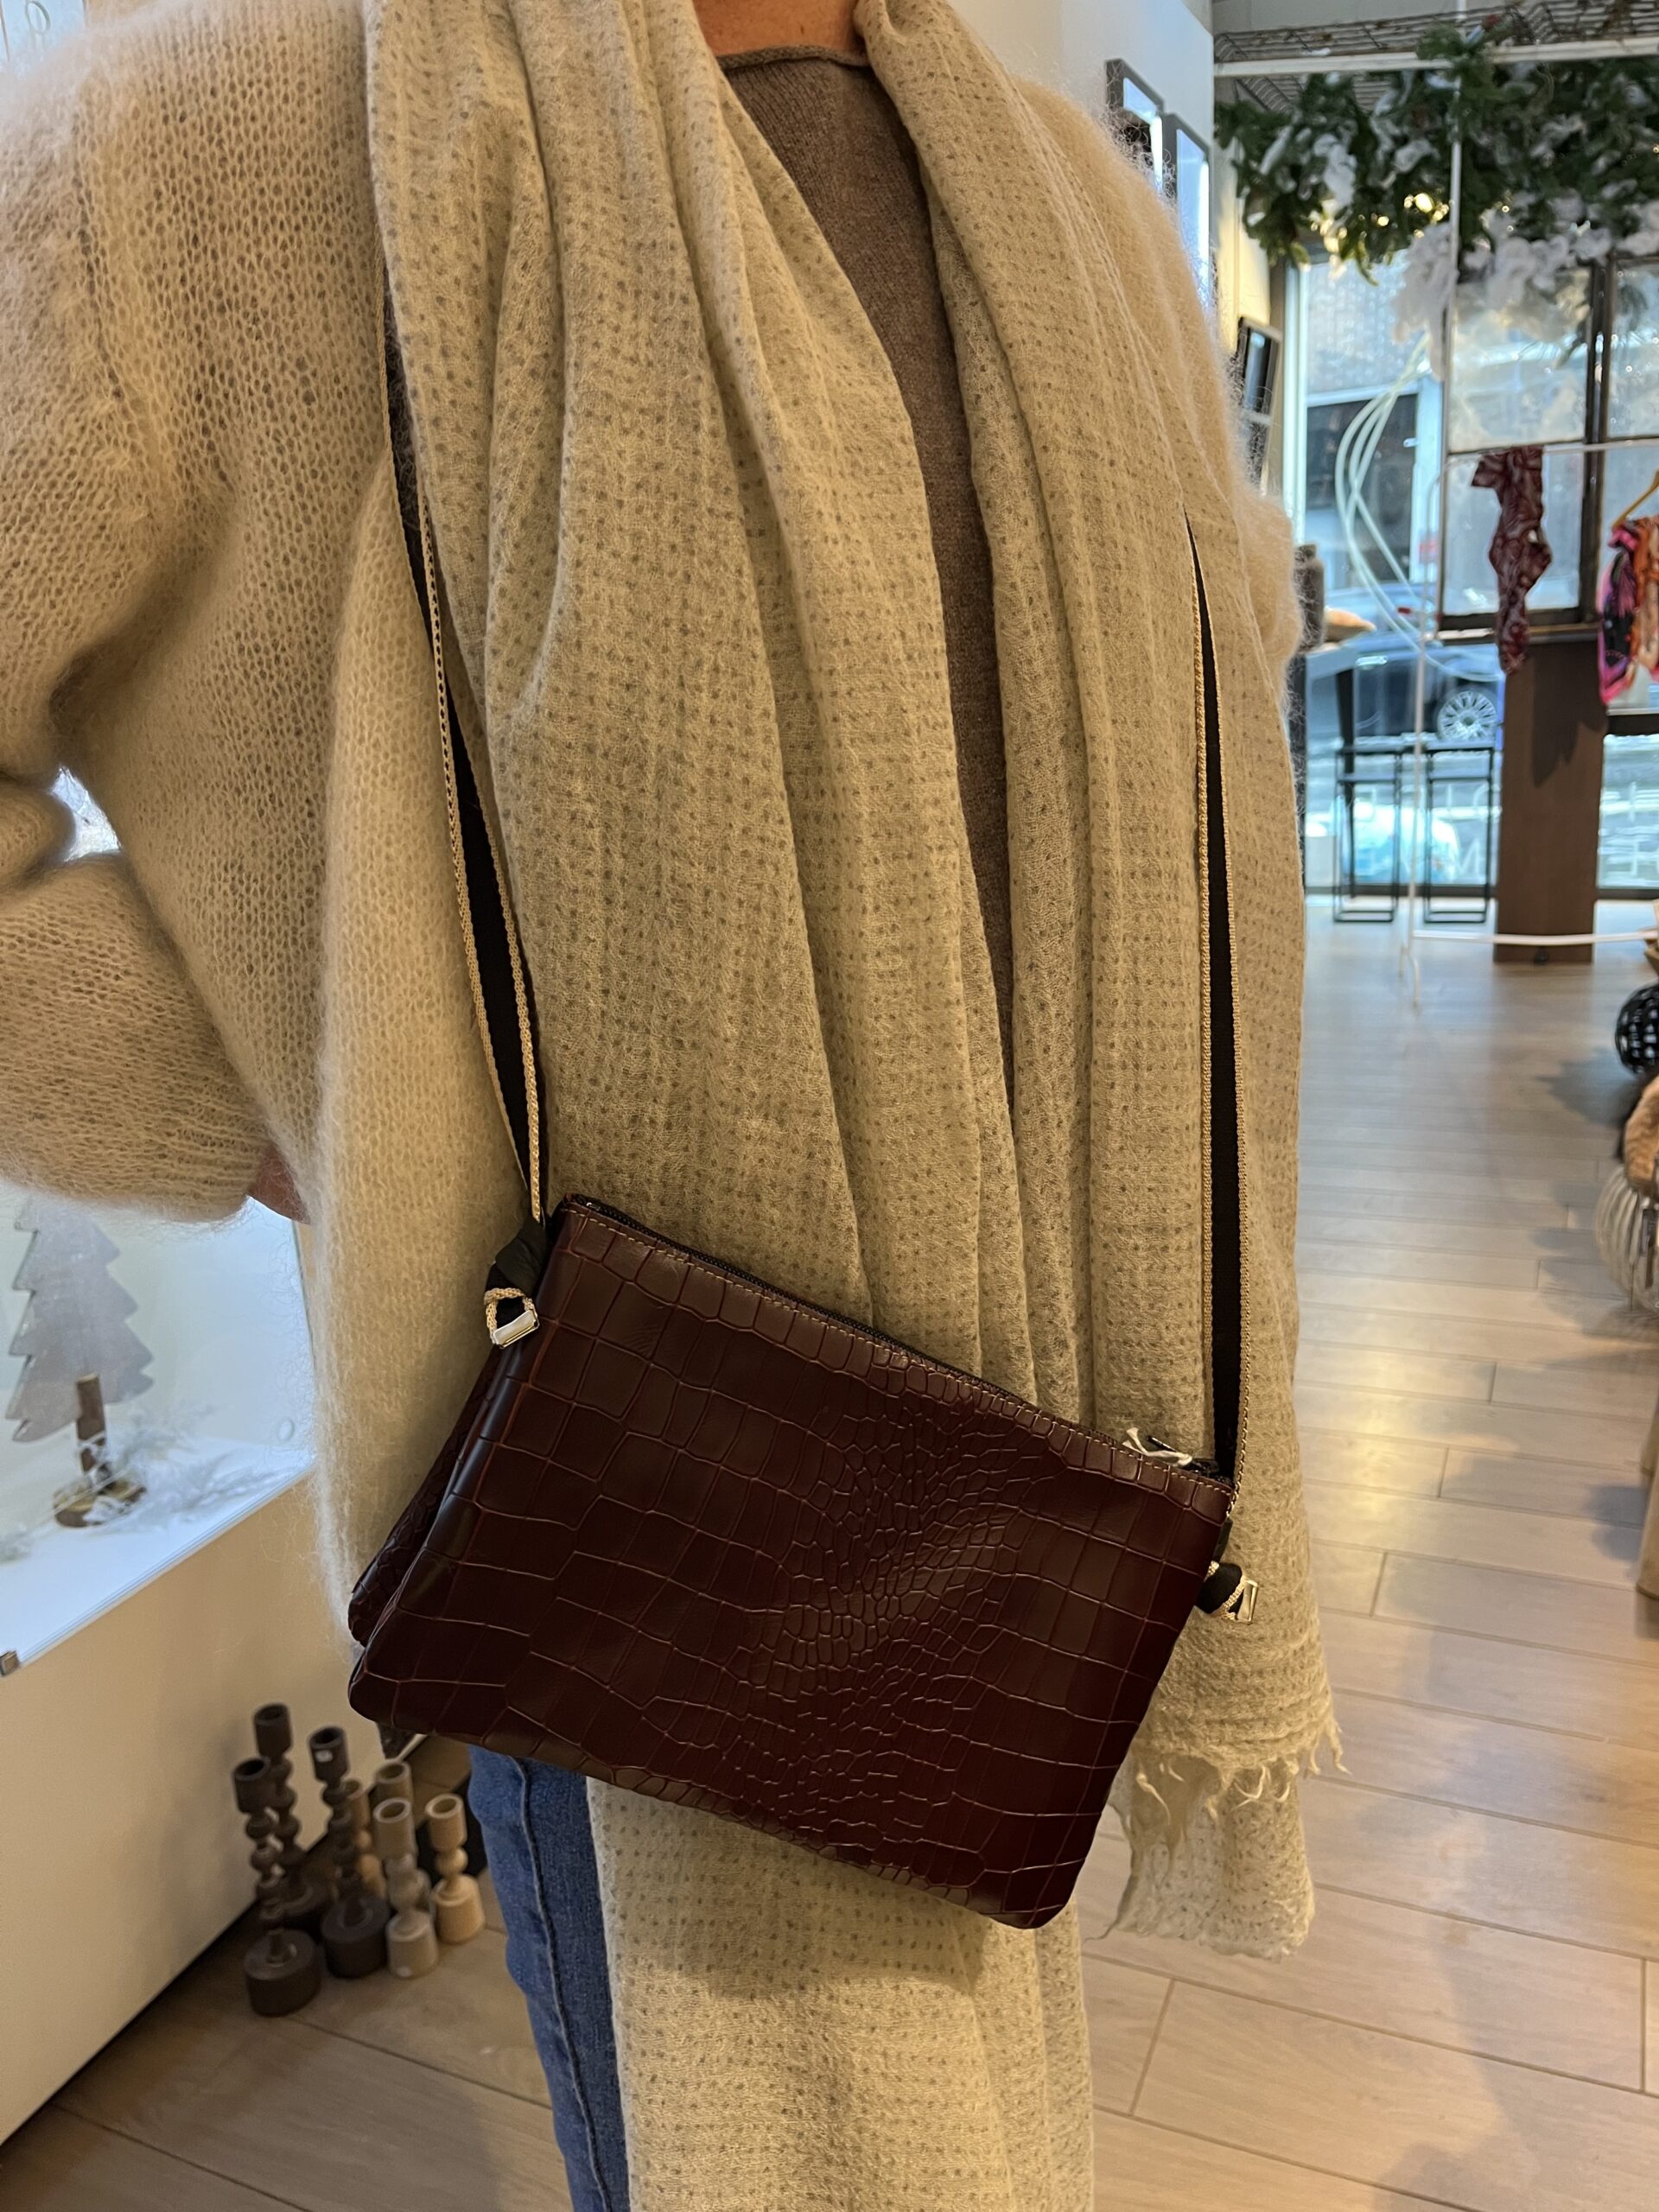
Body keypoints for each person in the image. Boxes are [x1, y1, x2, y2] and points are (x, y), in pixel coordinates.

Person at [0, 0, 1334, 2204]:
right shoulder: (191, 159)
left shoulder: (1068, 208)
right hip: (650, 1501)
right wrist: (290, 1104)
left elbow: (1206, 718)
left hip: (1051, 1502)